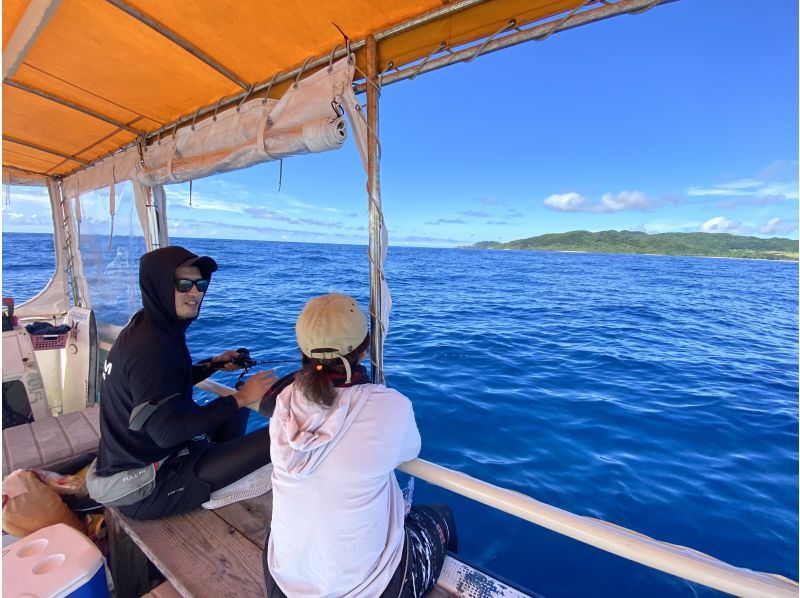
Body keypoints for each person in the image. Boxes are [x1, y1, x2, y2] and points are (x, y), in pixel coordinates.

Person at [263, 293, 457, 597]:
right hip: (370, 591)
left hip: (283, 582)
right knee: (440, 514)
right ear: (365, 348)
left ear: (303, 349)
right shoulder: (390, 405)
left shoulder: (284, 400)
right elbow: (410, 451)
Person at [88, 246, 275, 519]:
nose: (195, 292)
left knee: (236, 413)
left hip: (147, 456)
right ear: (159, 285)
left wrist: (212, 364)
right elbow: (168, 432)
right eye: (184, 284)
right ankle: (212, 481)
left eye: (200, 284)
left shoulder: (149, 327)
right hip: (144, 486)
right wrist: (242, 396)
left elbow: (164, 380)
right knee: (278, 435)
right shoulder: (151, 346)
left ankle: (214, 469)